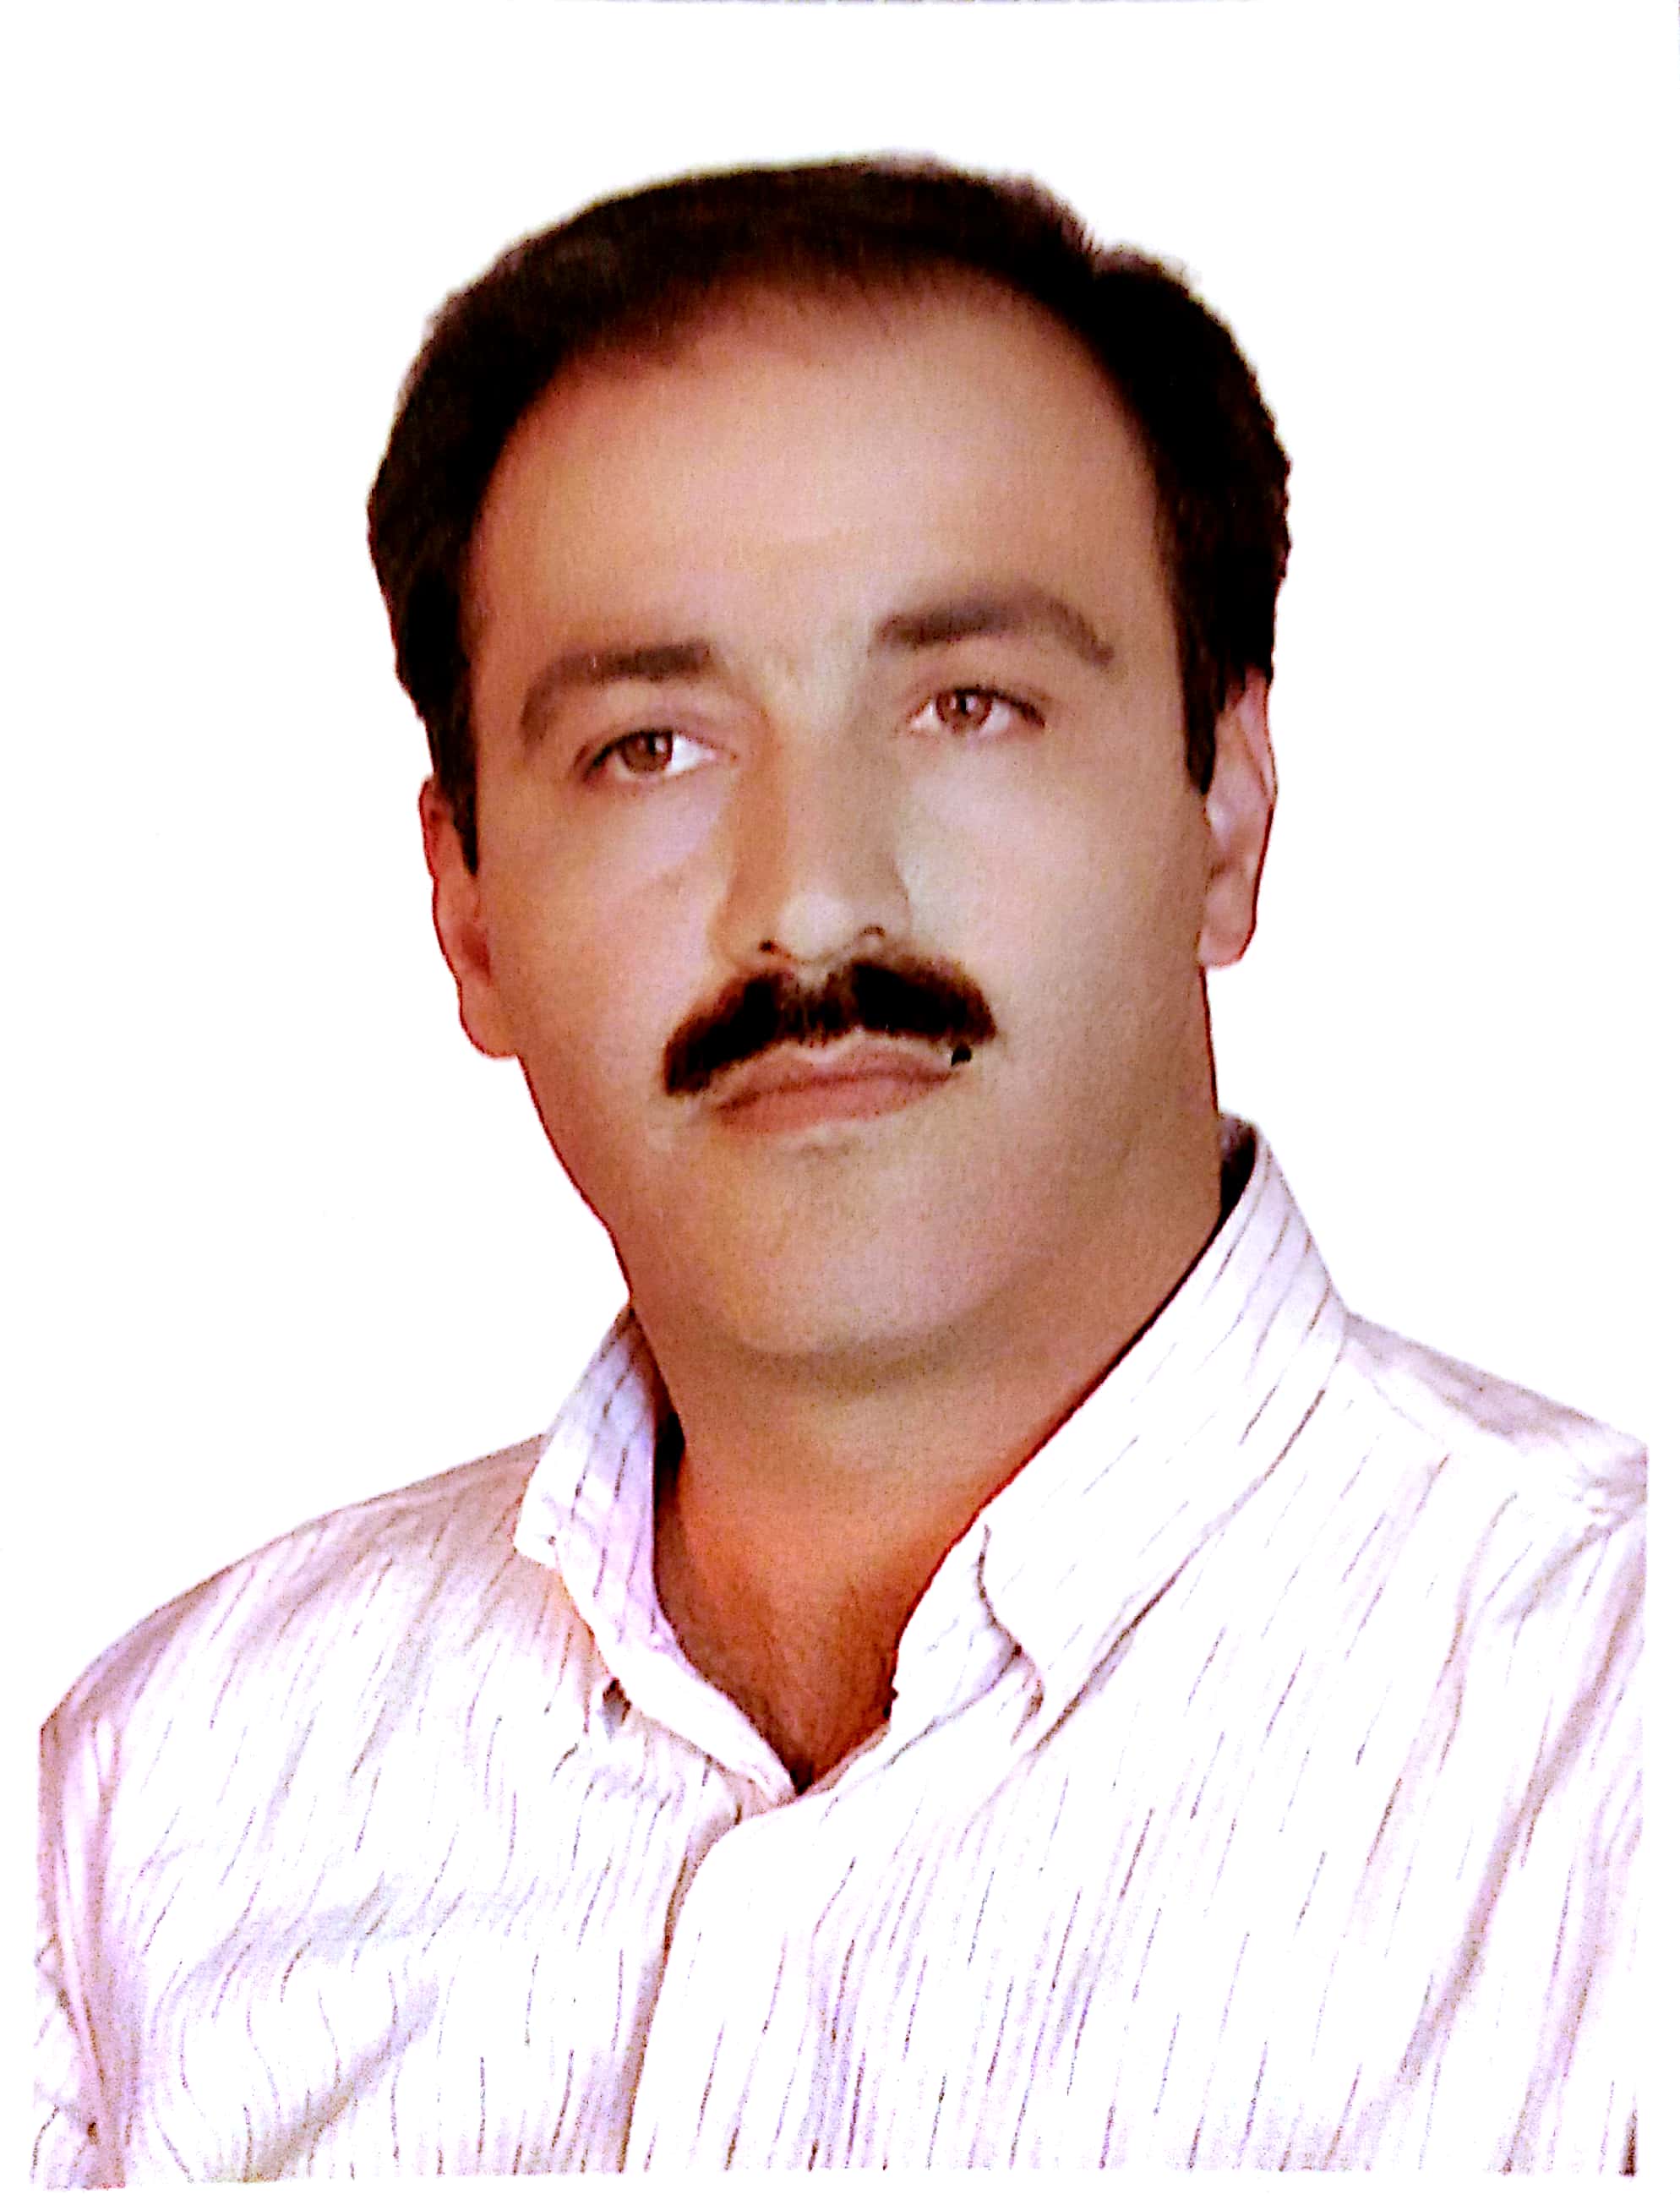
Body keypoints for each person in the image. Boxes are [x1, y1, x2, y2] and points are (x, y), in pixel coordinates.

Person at [35, 159, 1642, 2180]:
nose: (809, 898)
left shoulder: (1617, 1734)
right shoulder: (151, 1810)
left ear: (1225, 812)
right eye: (648, 745)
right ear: (467, 910)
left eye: (968, 705)